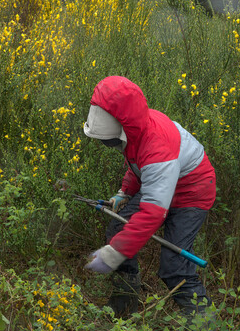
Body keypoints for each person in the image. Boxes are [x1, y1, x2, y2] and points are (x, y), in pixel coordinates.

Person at [82, 76, 216, 318]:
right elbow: (138, 162)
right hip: (163, 181)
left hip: (192, 192)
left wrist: (113, 254)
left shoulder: (157, 149)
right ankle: (125, 305)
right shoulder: (136, 128)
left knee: (175, 267)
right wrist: (124, 193)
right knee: (117, 229)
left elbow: (152, 212)